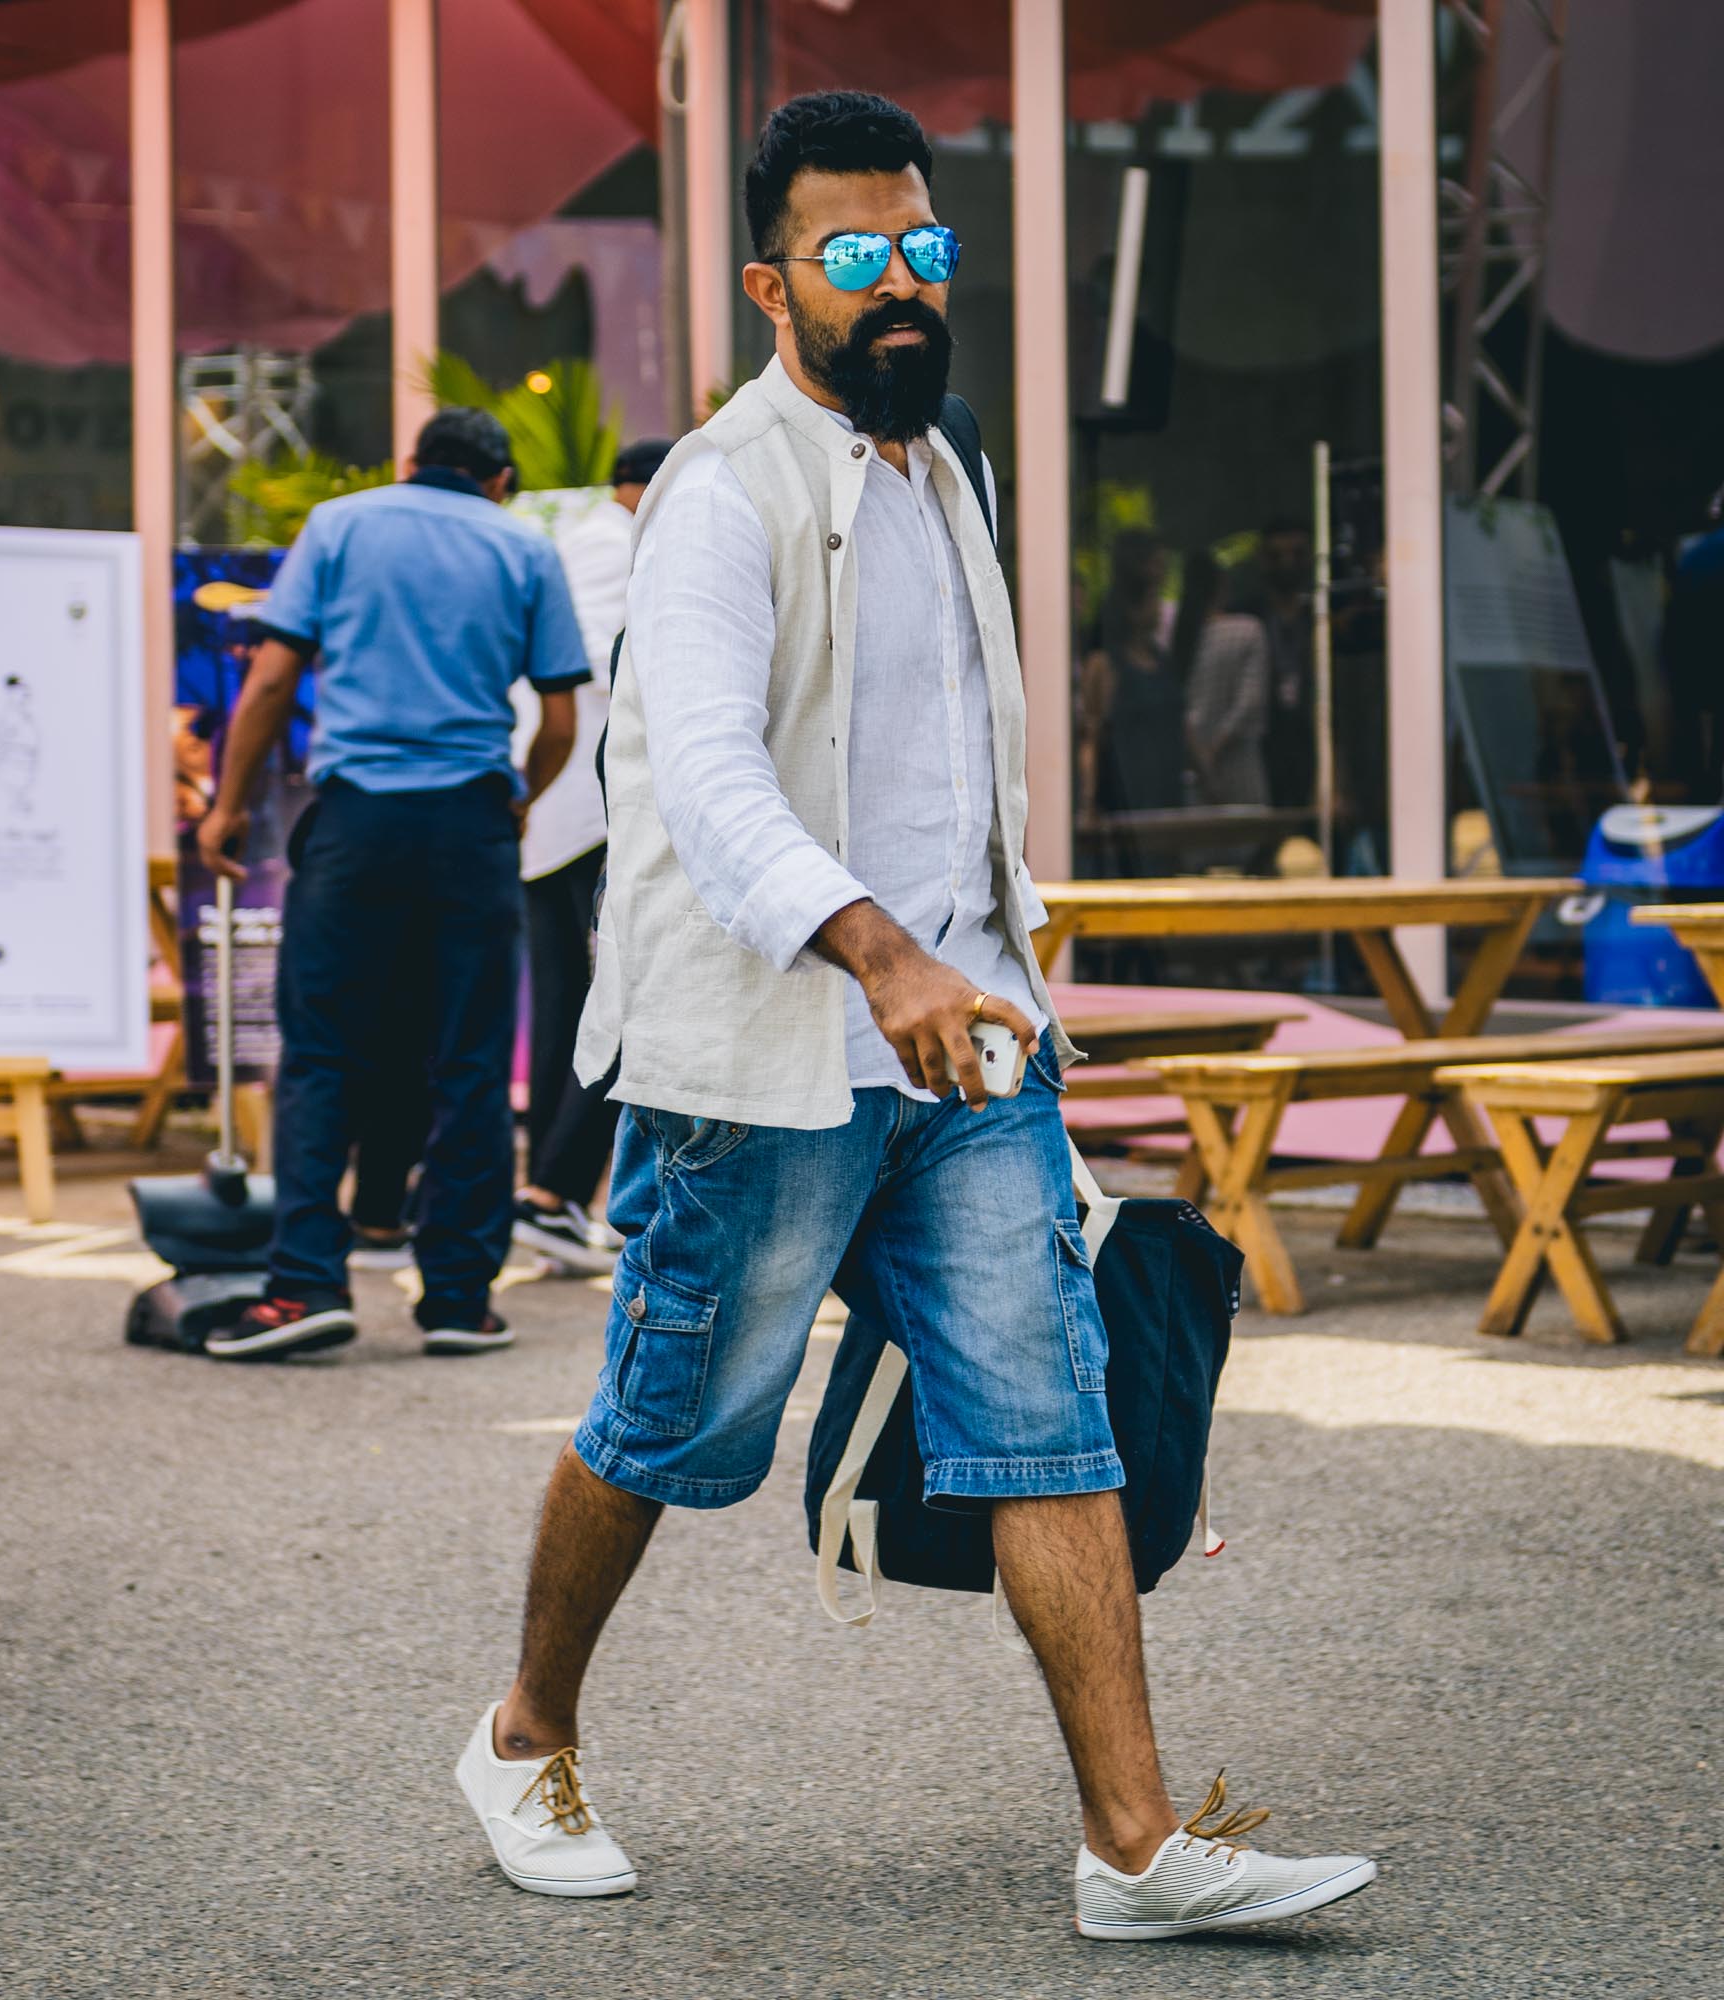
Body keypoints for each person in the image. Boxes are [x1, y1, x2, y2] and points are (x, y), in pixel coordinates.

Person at [453, 90, 1376, 1941]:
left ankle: (1134, 1850)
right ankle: (524, 1733)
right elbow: (709, 776)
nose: (899, 287)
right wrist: (882, 953)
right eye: (854, 256)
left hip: (967, 1054)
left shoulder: (939, 466)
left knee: (1052, 1418)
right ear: (768, 284)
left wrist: (995, 952)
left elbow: (951, 759)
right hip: (780, 1058)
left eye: (923, 248)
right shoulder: (728, 490)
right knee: (669, 1422)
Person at [195, 407, 588, 1361]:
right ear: (499, 479)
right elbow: (563, 721)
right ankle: (459, 1299)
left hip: (356, 827)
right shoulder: (525, 549)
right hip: (470, 830)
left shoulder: (341, 525)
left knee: (323, 1053)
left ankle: (304, 1286)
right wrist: (519, 803)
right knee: (473, 1062)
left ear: (412, 463)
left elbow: (272, 683)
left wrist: (227, 807)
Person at [512, 439, 674, 1274]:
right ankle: (555, 1191)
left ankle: (548, 1194)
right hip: (596, 817)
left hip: (550, 818)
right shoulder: (623, 546)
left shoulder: (573, 541)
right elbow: (624, 670)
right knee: (618, 1003)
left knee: (564, 1010)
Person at [1079, 528, 1182, 817]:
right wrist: (1087, 806)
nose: (1160, 605)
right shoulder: (1105, 665)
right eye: (1153, 596)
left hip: (1167, 793)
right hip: (1127, 801)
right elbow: (1093, 735)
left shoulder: (1162, 660)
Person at [1176, 548, 1271, 808]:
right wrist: (1213, 749)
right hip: (1238, 769)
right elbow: (1249, 704)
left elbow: (1177, 710)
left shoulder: (1177, 639)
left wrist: (1200, 758)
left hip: (1191, 774)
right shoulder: (1248, 631)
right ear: (1222, 587)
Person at [1239, 515, 1315, 809]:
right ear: (1262, 560)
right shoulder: (1245, 617)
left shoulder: (1322, 618)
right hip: (1262, 751)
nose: (1287, 564)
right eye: (1276, 556)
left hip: (1309, 748)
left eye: (1297, 554)